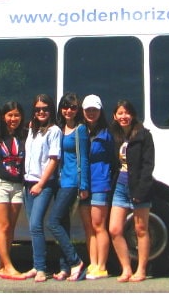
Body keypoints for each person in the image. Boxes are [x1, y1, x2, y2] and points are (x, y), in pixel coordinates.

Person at [108, 100, 155, 283]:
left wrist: (141, 191)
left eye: (127, 113)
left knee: (140, 229)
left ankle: (141, 270)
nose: (123, 116)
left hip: (138, 188)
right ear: (115, 116)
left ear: (133, 115)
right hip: (120, 187)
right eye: (120, 113)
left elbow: (148, 165)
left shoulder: (144, 135)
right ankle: (126, 268)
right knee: (114, 229)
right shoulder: (115, 136)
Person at [47, 92, 90, 281]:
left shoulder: (80, 130)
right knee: (63, 223)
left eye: (73, 107)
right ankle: (64, 268)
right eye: (65, 106)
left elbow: (84, 158)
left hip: (72, 182)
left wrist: (84, 185)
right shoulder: (59, 128)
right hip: (59, 181)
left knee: (53, 222)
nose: (69, 110)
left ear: (77, 110)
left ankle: (76, 262)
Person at [23, 94, 61, 283]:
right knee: (32, 226)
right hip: (28, 182)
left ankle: (41, 269)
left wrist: (40, 184)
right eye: (38, 109)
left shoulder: (54, 131)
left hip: (43, 184)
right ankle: (36, 265)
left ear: (50, 110)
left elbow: (54, 160)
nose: (41, 112)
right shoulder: (32, 129)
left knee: (37, 224)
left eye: (45, 108)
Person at [77, 94, 116, 280]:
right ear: (83, 112)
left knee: (99, 225)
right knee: (88, 227)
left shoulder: (108, 134)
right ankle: (93, 263)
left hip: (100, 182)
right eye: (88, 110)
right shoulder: (81, 131)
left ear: (100, 111)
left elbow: (113, 158)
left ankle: (102, 266)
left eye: (94, 109)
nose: (91, 113)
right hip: (84, 183)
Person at [0, 101, 28, 280]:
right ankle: (8, 266)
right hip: (0, 184)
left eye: (17, 115)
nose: (13, 119)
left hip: (17, 186)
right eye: (10, 115)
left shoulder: (24, 136)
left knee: (11, 227)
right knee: (3, 226)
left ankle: (2, 264)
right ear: (4, 116)